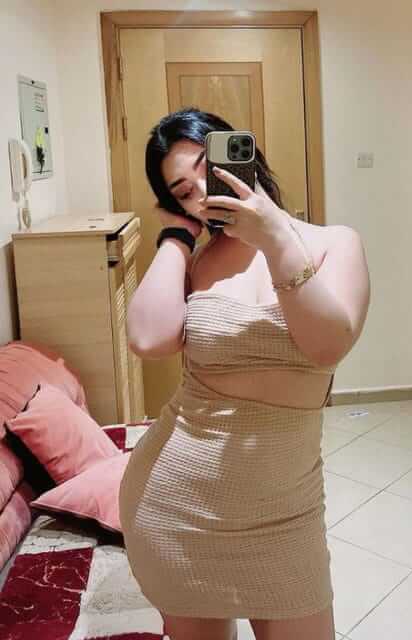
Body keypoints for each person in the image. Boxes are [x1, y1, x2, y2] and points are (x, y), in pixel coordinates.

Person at [118, 108, 370, 640]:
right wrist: (176, 237)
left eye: (207, 168)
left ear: (243, 155)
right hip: (177, 507)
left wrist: (274, 237)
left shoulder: (335, 243)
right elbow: (147, 339)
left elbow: (327, 346)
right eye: (183, 191)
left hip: (286, 516)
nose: (203, 190)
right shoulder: (198, 261)